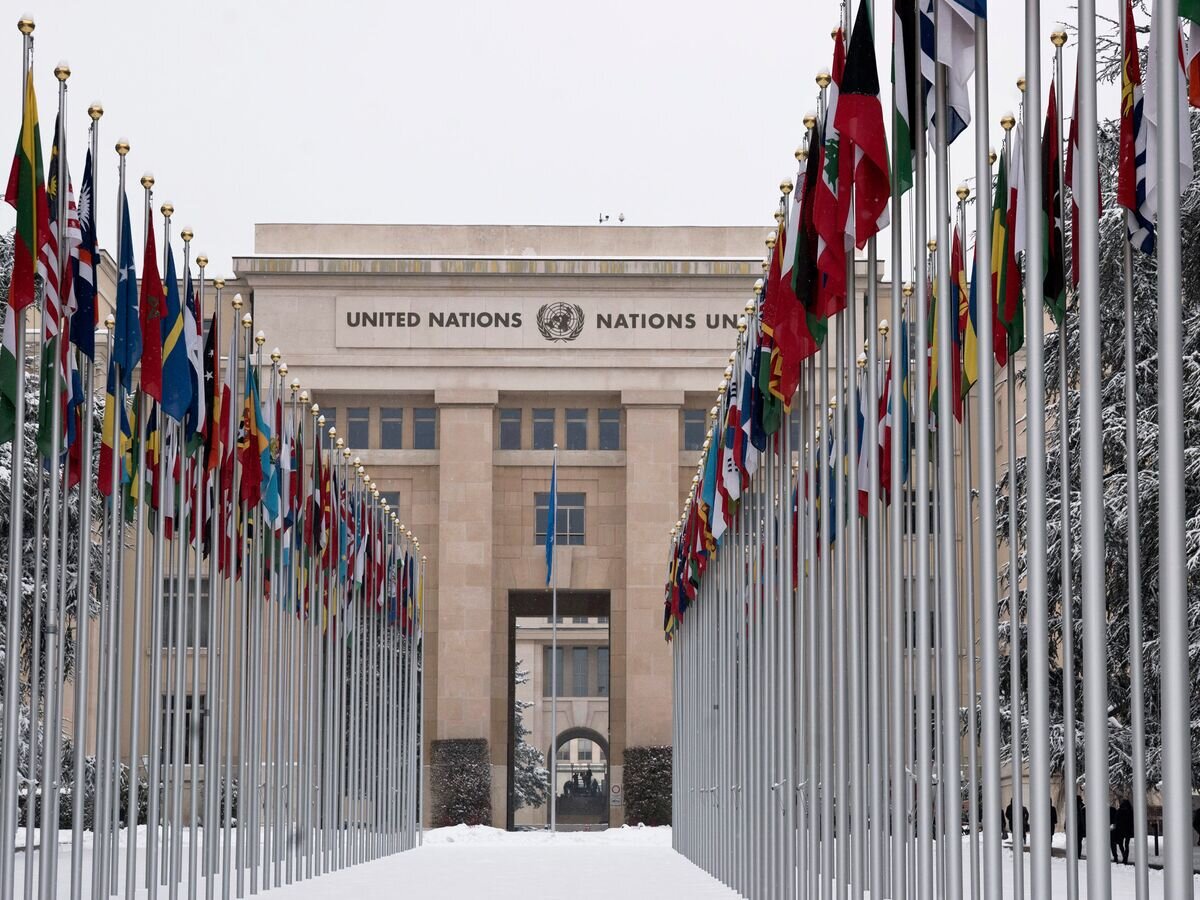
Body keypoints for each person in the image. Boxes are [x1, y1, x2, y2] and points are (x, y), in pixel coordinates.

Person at [1110, 798, 1134, 864]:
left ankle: (1124, 855)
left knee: (1121, 844)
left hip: (1120, 830)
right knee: (1127, 845)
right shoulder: (1131, 811)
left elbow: (1116, 820)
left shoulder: (1119, 811)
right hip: (1128, 830)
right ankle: (1125, 857)